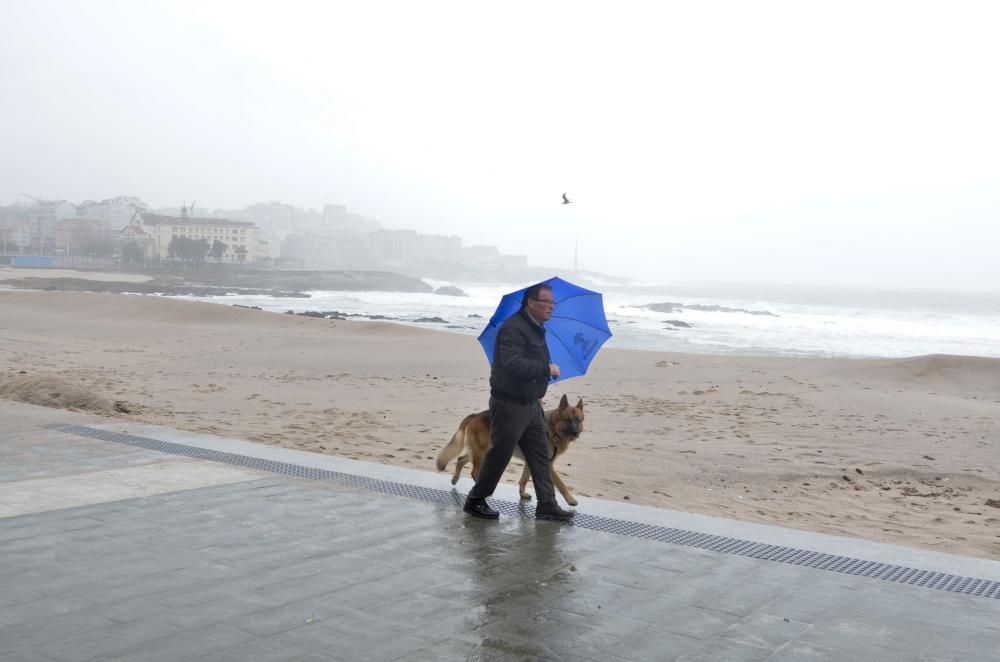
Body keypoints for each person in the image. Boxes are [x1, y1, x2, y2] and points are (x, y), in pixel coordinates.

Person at [463, 282, 576, 521]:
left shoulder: (537, 329)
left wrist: (539, 385)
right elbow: (512, 363)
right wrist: (546, 369)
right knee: (500, 454)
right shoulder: (512, 328)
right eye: (546, 302)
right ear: (530, 303)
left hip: (532, 405)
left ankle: (547, 504)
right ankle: (475, 500)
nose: (550, 307)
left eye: (552, 303)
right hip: (509, 405)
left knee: (539, 456)